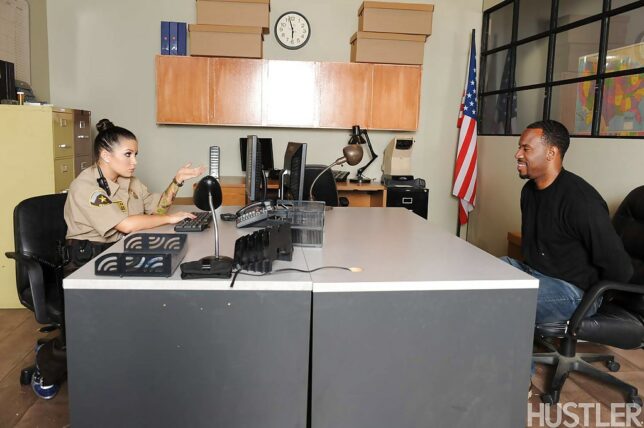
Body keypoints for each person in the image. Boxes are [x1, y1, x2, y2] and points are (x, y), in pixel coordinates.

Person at [502, 120, 633, 325]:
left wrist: (597, 297)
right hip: (534, 273)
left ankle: (509, 356)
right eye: (519, 147)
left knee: (499, 302)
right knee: (481, 276)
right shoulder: (528, 191)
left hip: (573, 290)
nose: (517, 154)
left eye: (526, 148)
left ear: (551, 153)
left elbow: (621, 267)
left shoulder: (581, 201)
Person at [63, 118, 205, 272]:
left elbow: (158, 210)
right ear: (106, 155)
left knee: (179, 263)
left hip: (121, 250)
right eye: (128, 154)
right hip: (91, 261)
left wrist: (177, 181)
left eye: (135, 154)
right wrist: (171, 218)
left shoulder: (130, 181)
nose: (135, 161)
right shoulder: (85, 186)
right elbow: (126, 225)